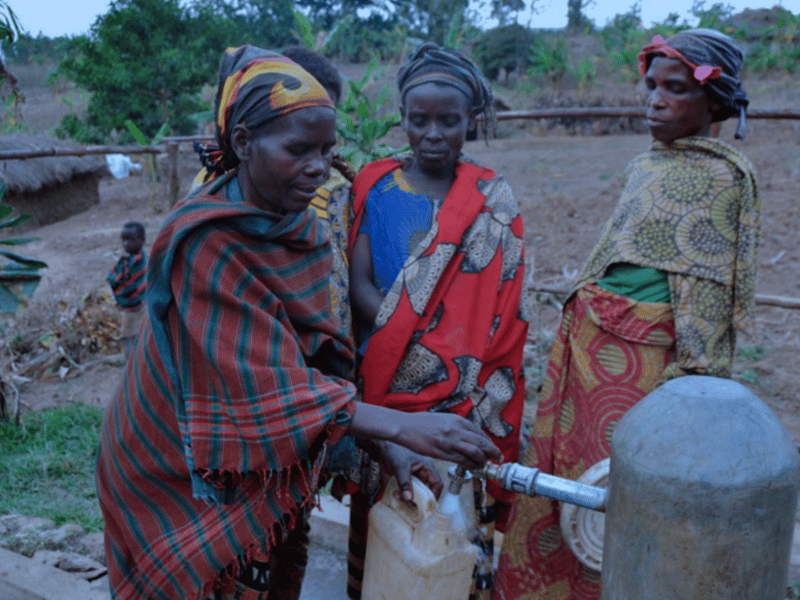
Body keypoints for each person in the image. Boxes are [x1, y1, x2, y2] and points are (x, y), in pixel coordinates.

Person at [95, 45, 502, 600]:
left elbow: (311, 360)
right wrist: (398, 426)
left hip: (256, 460)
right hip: (175, 468)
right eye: (298, 149)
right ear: (242, 143)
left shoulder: (300, 230)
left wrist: (380, 446)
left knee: (270, 575)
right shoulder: (207, 242)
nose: (319, 166)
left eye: (327, 149)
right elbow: (260, 386)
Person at [494, 28, 760, 600]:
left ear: (714, 101)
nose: (655, 99)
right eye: (651, 84)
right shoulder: (646, 166)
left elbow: (705, 292)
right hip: (588, 352)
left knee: (623, 490)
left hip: (646, 366)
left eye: (676, 88)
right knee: (568, 482)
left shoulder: (722, 177)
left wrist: (693, 382)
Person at [347, 42, 529, 600]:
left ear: (472, 120)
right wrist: (409, 333)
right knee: (388, 516)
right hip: (388, 382)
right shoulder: (375, 187)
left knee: (452, 514)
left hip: (465, 395)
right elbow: (356, 281)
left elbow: (506, 305)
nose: (432, 133)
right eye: (418, 120)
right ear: (401, 118)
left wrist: (446, 356)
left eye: (448, 121)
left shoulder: (492, 200)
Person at [106, 221, 147, 356]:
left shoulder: (139, 262)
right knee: (128, 335)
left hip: (141, 307)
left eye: (130, 239)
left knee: (139, 334)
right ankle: (133, 362)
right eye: (123, 240)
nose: (125, 244)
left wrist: (115, 280)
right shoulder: (128, 261)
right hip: (130, 309)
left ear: (142, 240)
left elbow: (125, 283)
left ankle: (135, 361)